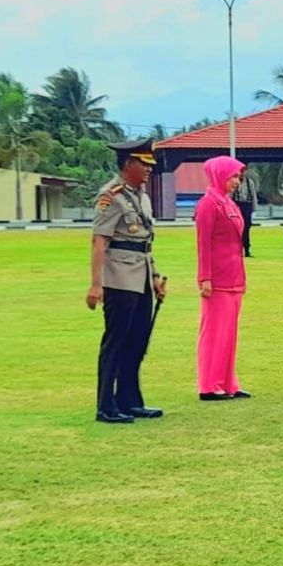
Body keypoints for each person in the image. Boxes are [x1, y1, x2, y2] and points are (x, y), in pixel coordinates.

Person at [87, 138, 166, 424]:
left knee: (137, 341)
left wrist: (155, 275)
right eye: (144, 165)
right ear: (128, 164)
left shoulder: (142, 195)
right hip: (118, 278)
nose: (148, 170)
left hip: (142, 276)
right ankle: (106, 404)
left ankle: (130, 400)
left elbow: (145, 241)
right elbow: (99, 243)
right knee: (116, 342)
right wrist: (96, 284)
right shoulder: (111, 195)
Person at [194, 155, 251, 401]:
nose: (237, 181)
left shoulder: (228, 203)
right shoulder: (209, 204)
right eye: (233, 176)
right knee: (214, 332)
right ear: (219, 175)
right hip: (216, 279)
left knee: (229, 333)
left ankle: (228, 382)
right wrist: (204, 277)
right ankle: (209, 384)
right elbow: (203, 243)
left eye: (238, 176)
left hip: (234, 276)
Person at [232, 166, 257, 257]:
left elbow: (253, 195)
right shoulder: (235, 181)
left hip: (247, 205)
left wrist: (254, 209)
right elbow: (230, 195)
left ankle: (246, 249)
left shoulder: (249, 182)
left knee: (246, 229)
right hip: (237, 206)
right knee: (237, 229)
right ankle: (237, 250)